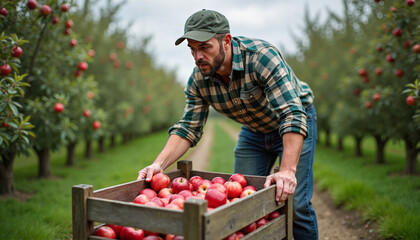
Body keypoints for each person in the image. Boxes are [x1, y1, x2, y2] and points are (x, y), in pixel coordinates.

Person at [137, 9, 318, 240]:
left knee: (296, 204)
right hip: (253, 130)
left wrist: (287, 171)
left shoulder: (262, 58)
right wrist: (158, 165)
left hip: (296, 121)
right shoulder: (198, 80)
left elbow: (292, 114)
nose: (197, 56)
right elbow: (188, 128)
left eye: (204, 47)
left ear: (226, 41)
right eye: (192, 49)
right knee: (242, 206)